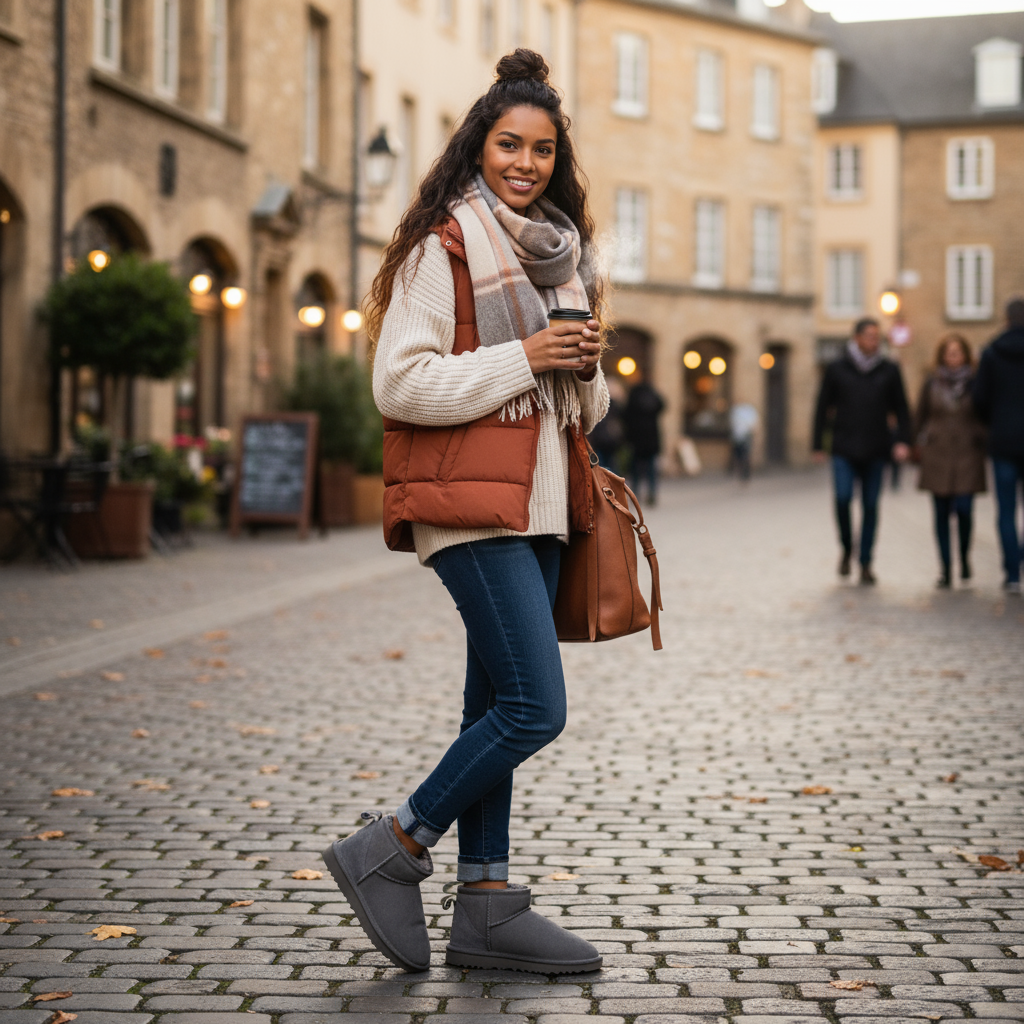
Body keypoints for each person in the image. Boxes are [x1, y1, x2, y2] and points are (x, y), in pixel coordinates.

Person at [320, 51, 609, 976]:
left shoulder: (564, 257)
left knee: (492, 702)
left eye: (542, 150)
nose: (525, 162)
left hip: (544, 503)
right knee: (533, 707)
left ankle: (486, 905)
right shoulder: (444, 247)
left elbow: (581, 412)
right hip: (471, 509)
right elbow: (399, 384)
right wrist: (529, 355)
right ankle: (393, 848)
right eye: (508, 144)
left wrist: (585, 366)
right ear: (477, 148)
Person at [812, 317, 911, 585]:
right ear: (856, 338)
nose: (873, 341)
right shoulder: (837, 368)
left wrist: (903, 440)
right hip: (843, 447)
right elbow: (822, 406)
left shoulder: (888, 370)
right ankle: (847, 547)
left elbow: (901, 408)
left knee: (870, 506)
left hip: (877, 448)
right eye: (868, 336)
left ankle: (866, 561)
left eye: (877, 337)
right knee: (842, 499)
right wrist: (818, 444)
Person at [914, 334, 987, 589]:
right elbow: (919, 416)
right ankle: (945, 568)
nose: (953, 357)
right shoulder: (931, 383)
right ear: (942, 356)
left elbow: (986, 413)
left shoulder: (977, 383)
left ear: (966, 356)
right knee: (941, 513)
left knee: (965, 510)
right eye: (949, 353)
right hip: (938, 455)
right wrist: (913, 445)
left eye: (957, 353)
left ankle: (964, 558)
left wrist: (983, 437)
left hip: (968, 454)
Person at [973, 297, 1024, 595]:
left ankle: (1012, 572)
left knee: (1006, 510)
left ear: (1006, 319)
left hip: (1003, 441)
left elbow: (979, 398)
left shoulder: (992, 353)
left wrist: (994, 421)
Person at [623, 372, 665, 504]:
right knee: (651, 469)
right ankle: (651, 492)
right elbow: (663, 406)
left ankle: (635, 494)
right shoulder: (653, 395)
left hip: (636, 438)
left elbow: (625, 415)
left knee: (635, 468)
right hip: (651, 439)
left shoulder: (633, 395)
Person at [588, 374, 625, 471]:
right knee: (610, 464)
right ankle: (610, 484)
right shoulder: (614, 405)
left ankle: (604, 484)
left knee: (602, 465)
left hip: (601, 439)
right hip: (608, 439)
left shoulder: (598, 403)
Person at [729, 402, 759, 481]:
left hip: (745, 436)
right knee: (739, 456)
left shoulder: (748, 411)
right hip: (738, 436)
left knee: (745, 455)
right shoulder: (736, 411)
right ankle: (740, 473)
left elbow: (753, 424)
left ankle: (745, 474)